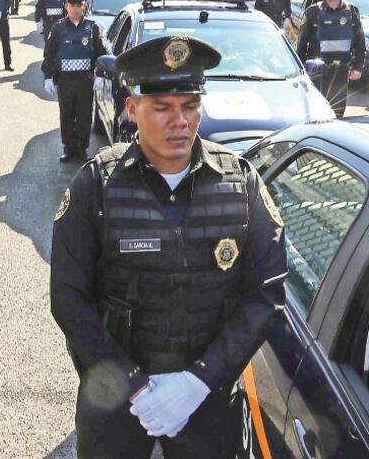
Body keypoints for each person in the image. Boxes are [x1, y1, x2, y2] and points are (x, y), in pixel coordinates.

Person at [50, 35, 287, 459]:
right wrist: (133, 384)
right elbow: (69, 297)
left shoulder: (242, 183)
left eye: (191, 105)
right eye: (162, 108)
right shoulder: (96, 185)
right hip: (116, 401)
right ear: (132, 109)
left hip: (208, 398)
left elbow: (265, 294)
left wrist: (196, 382)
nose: (180, 120)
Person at [42, 0, 107, 161]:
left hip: (85, 81)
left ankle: (81, 148)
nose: (76, 8)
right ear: (66, 6)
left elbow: (102, 53)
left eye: (79, 5)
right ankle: (69, 147)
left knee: (84, 115)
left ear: (84, 6)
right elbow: (49, 53)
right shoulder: (58, 28)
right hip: (65, 81)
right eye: (72, 5)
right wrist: (47, 76)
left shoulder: (92, 28)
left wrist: (100, 74)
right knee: (67, 114)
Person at [296, 0, 365, 117]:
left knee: (338, 113)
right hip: (317, 71)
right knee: (316, 113)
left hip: (341, 71)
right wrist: (301, 72)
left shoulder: (352, 11)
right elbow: (301, 45)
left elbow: (360, 43)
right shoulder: (312, 11)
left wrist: (358, 67)